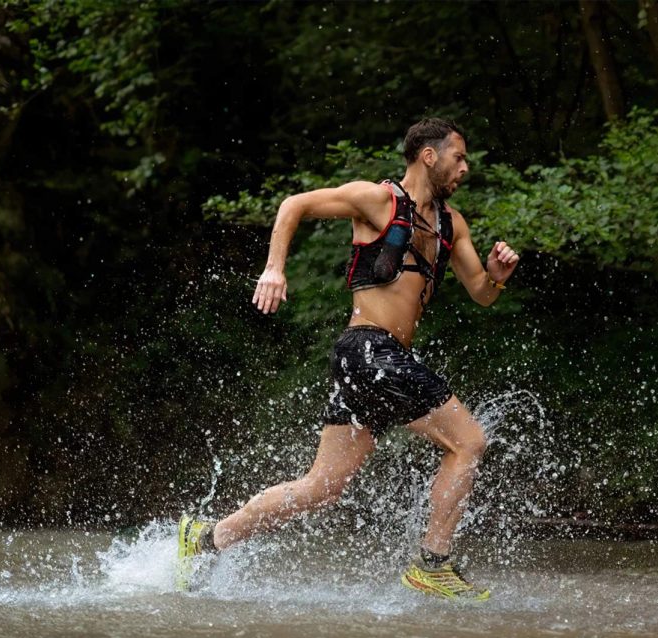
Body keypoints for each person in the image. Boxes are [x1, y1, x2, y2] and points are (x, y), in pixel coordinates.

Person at [177, 118, 519, 601]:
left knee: (323, 487)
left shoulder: (452, 224)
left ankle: (207, 537)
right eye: (458, 157)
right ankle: (434, 563)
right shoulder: (377, 200)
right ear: (428, 155)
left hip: (376, 359)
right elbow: (294, 204)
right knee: (469, 441)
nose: (465, 167)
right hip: (367, 349)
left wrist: (497, 275)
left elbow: (481, 293)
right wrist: (274, 268)